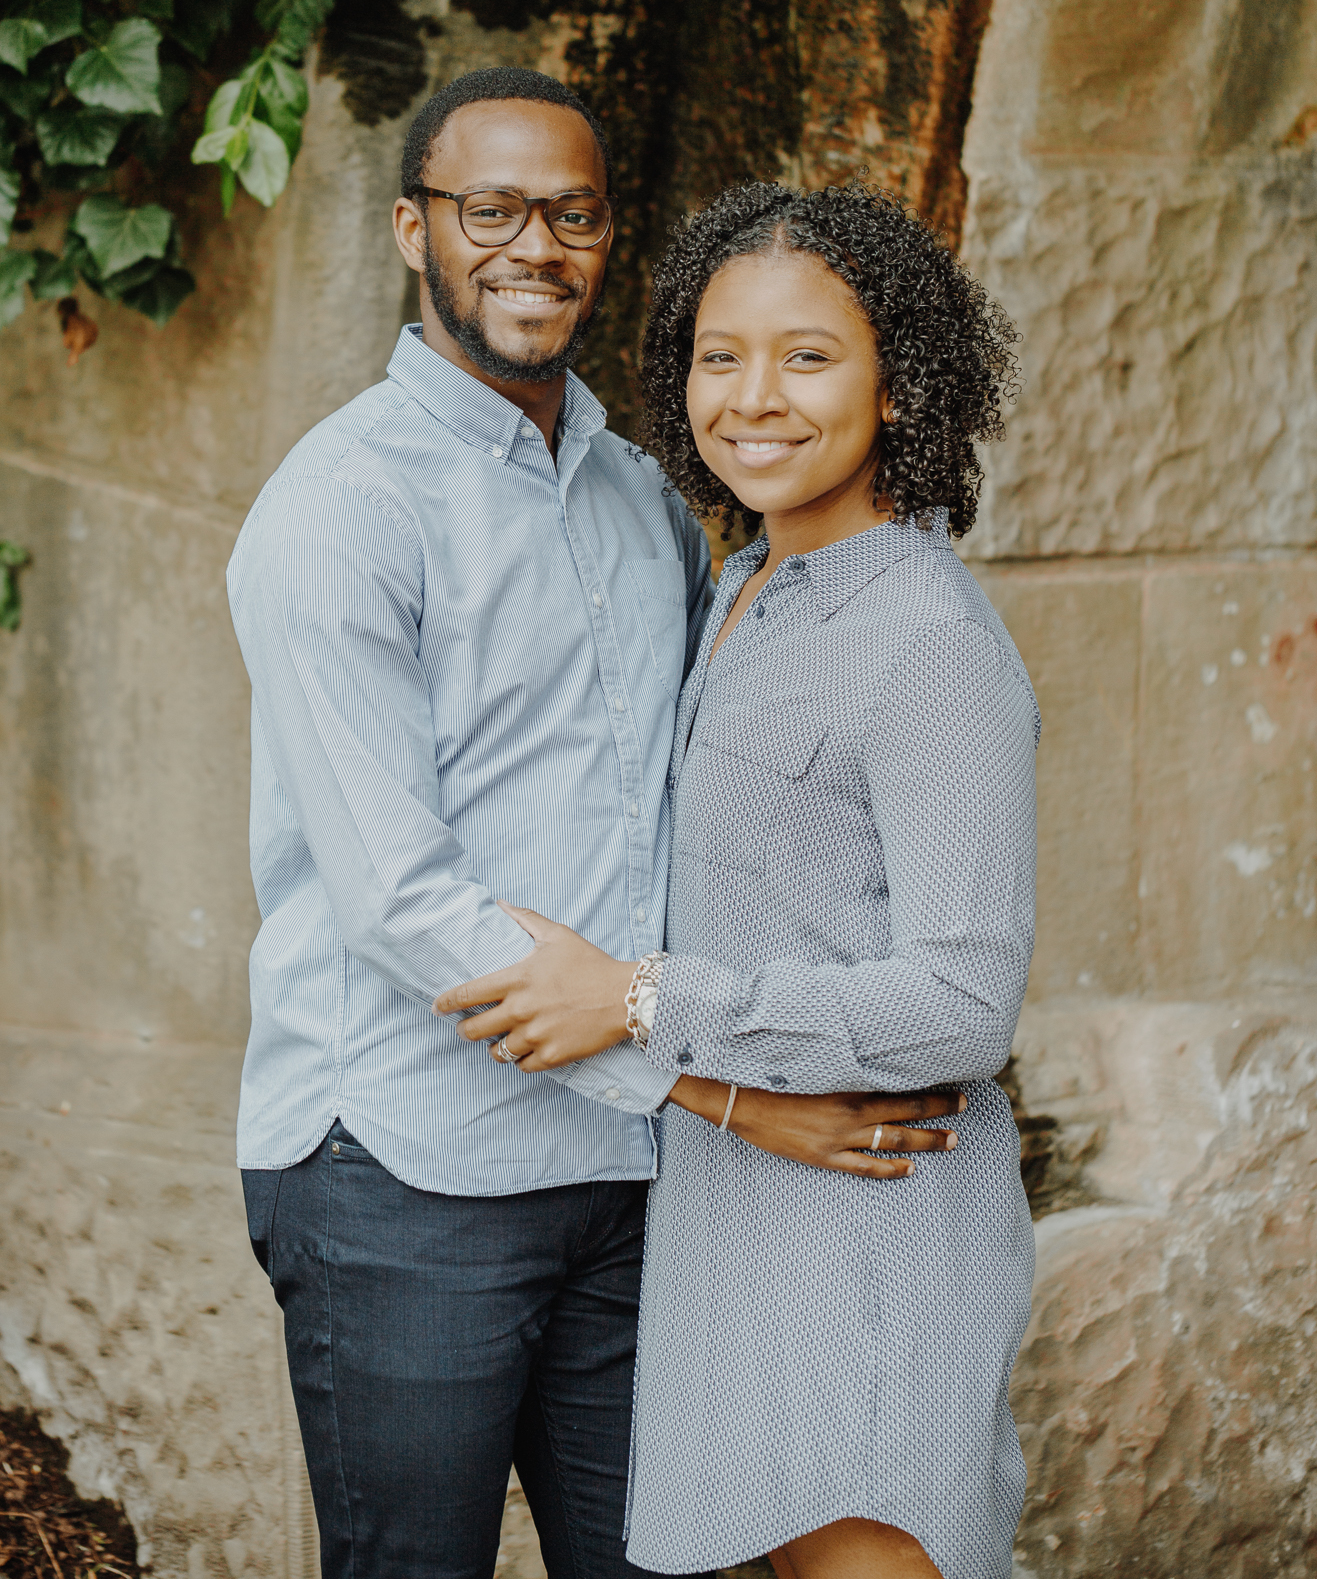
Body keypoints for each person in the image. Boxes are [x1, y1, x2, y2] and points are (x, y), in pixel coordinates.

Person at [227, 76, 966, 1579]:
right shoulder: (339, 509)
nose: (533, 246)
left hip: (630, 1190)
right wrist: (713, 1089)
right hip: (404, 1170)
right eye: (489, 209)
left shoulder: (637, 494)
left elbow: (719, 818)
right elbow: (398, 901)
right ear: (411, 228)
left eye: (571, 212)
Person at [435, 180, 1038, 1579]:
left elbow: (965, 995)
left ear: (901, 386)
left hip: (873, 1224)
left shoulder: (922, 636)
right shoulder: (747, 583)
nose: (753, 397)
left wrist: (639, 999)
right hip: (736, 1212)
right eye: (721, 356)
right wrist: (703, 1083)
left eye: (808, 356)